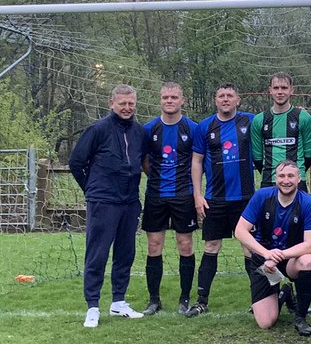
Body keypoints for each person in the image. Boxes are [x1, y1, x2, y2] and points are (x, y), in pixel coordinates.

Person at [68, 84, 148, 327]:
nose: (127, 108)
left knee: (126, 253)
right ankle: (93, 306)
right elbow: (76, 162)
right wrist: (92, 189)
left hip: (130, 202)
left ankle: (118, 302)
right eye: (122, 103)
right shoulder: (97, 129)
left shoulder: (140, 132)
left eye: (131, 103)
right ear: (111, 103)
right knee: (98, 253)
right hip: (103, 202)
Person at [190, 84, 256, 315]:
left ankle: (258, 299)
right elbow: (197, 160)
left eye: (230, 96)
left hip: (245, 199)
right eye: (221, 96)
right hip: (214, 199)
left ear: (238, 99)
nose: (225, 99)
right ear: (215, 100)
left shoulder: (251, 121)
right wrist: (198, 194)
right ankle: (201, 301)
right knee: (211, 246)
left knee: (249, 248)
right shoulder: (204, 126)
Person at [234, 160, 311, 335]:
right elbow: (240, 231)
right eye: (281, 176)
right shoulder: (262, 196)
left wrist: (279, 255)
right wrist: (267, 254)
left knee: (309, 261)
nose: (286, 180)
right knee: (265, 322)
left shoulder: (308, 203)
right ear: (275, 178)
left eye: (290, 176)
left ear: (298, 179)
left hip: (291, 258)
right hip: (263, 258)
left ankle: (300, 318)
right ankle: (284, 293)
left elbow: (310, 244)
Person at [141, 82, 199, 316]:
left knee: (185, 245)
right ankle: (154, 299)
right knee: (154, 245)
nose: (169, 101)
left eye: (174, 97)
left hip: (183, 195)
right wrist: (155, 177)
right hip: (155, 195)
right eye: (165, 97)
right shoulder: (149, 129)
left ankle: (184, 298)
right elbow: (144, 160)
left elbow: (198, 161)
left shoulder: (192, 128)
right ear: (160, 100)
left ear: (182, 100)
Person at [251, 72, 311, 188]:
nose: (280, 92)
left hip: (297, 182)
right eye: (276, 88)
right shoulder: (259, 120)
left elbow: (309, 155)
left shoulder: (303, 117)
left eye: (284, 88)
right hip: (269, 181)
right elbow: (257, 157)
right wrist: (271, 173)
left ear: (292, 90)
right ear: (270, 90)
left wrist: (294, 173)